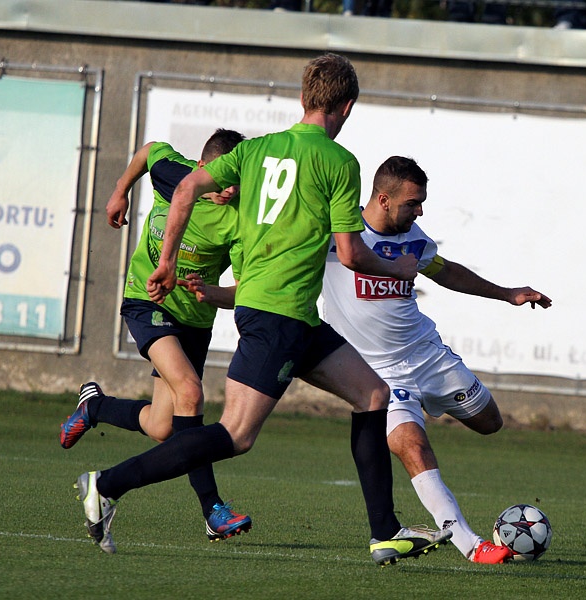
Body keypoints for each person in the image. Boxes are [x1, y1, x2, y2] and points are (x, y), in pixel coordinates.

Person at [73, 53, 452, 566]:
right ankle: (106, 484)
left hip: (290, 315)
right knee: (236, 434)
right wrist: (402, 268)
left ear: (303, 98)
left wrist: (165, 260)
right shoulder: (339, 162)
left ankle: (384, 532)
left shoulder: (255, 151)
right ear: (346, 106)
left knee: (372, 394)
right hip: (278, 315)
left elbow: (185, 187)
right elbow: (350, 253)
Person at [320, 156, 553, 564]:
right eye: (413, 202)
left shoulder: (414, 238)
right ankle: (469, 542)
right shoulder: (337, 236)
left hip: (429, 357)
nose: (421, 210)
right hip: (378, 374)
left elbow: (446, 272)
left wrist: (508, 293)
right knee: (412, 444)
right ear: (384, 199)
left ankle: (426, 407)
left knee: (490, 423)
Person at [60, 129, 251, 552]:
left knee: (163, 426)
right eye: (223, 180)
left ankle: (96, 407)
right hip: (147, 301)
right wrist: (119, 192)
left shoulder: (241, 217)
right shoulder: (176, 175)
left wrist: (211, 293)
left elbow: (243, 289)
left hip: (195, 321)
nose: (230, 190)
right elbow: (148, 152)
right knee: (191, 392)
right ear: (202, 169)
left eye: (236, 180)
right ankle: (213, 510)